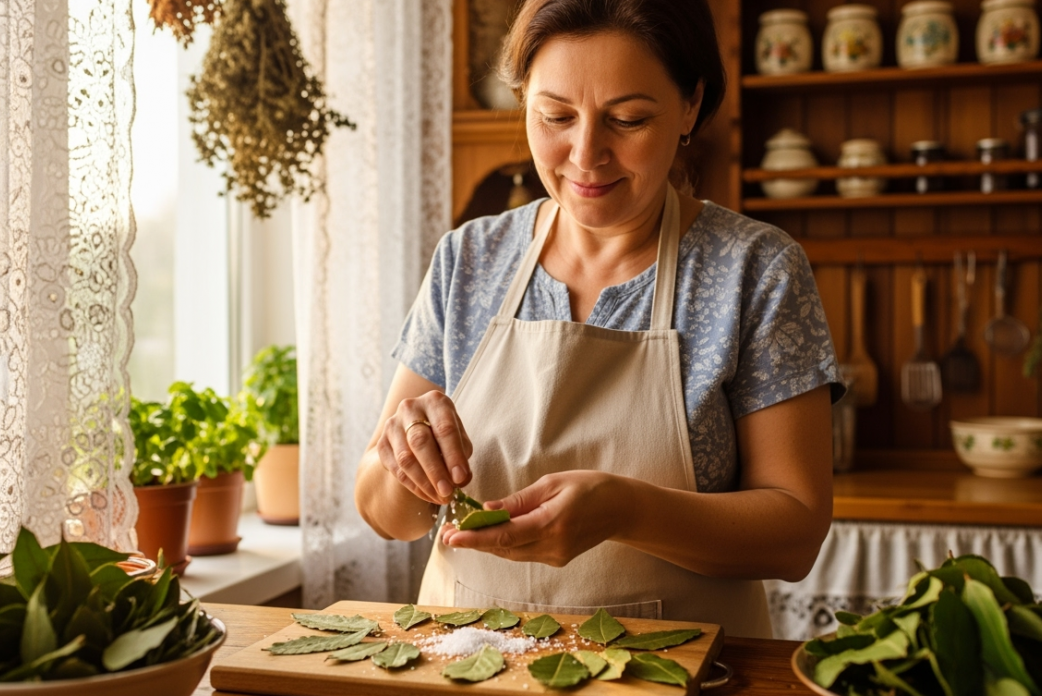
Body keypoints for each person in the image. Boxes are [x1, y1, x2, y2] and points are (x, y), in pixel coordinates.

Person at [353, 0, 841, 638]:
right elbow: (384, 514)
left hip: (685, 672)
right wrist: (405, 463)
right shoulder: (468, 259)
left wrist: (628, 513)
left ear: (690, 106)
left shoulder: (757, 270)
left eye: (628, 119)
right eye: (555, 115)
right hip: (471, 666)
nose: (586, 155)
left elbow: (795, 533)